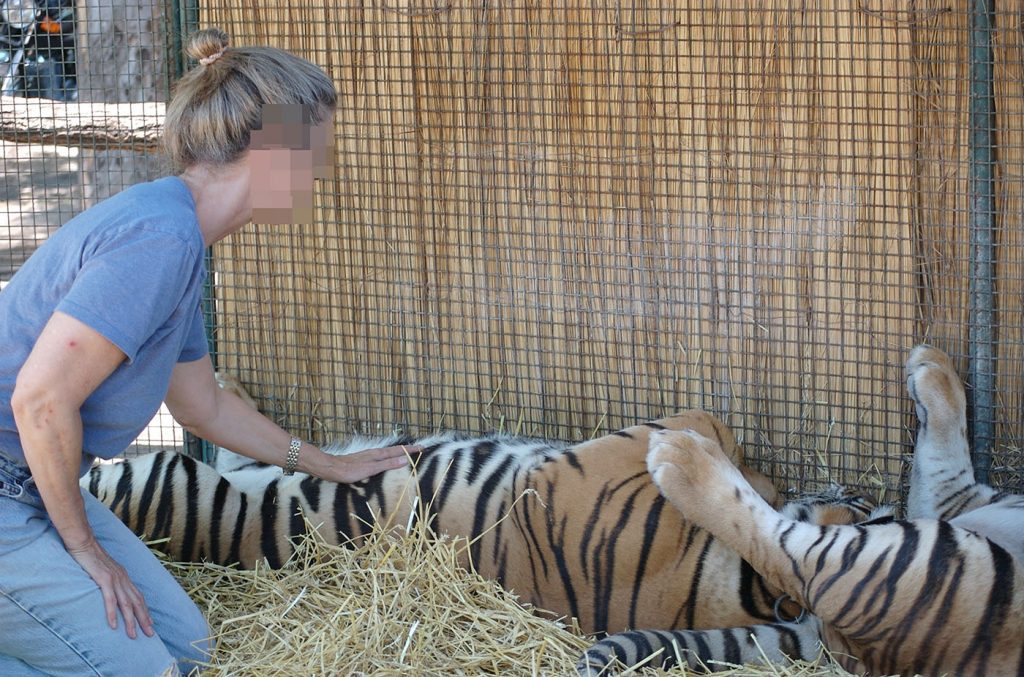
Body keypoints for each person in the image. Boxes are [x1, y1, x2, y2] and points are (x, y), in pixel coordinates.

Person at [0, 28, 416, 675]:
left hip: (28, 487)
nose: (324, 170)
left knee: (189, 649)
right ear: (274, 147)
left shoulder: (182, 240)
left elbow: (205, 409)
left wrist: (329, 465)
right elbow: (40, 399)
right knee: (144, 669)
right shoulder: (159, 236)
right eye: (318, 150)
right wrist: (85, 550)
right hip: (8, 492)